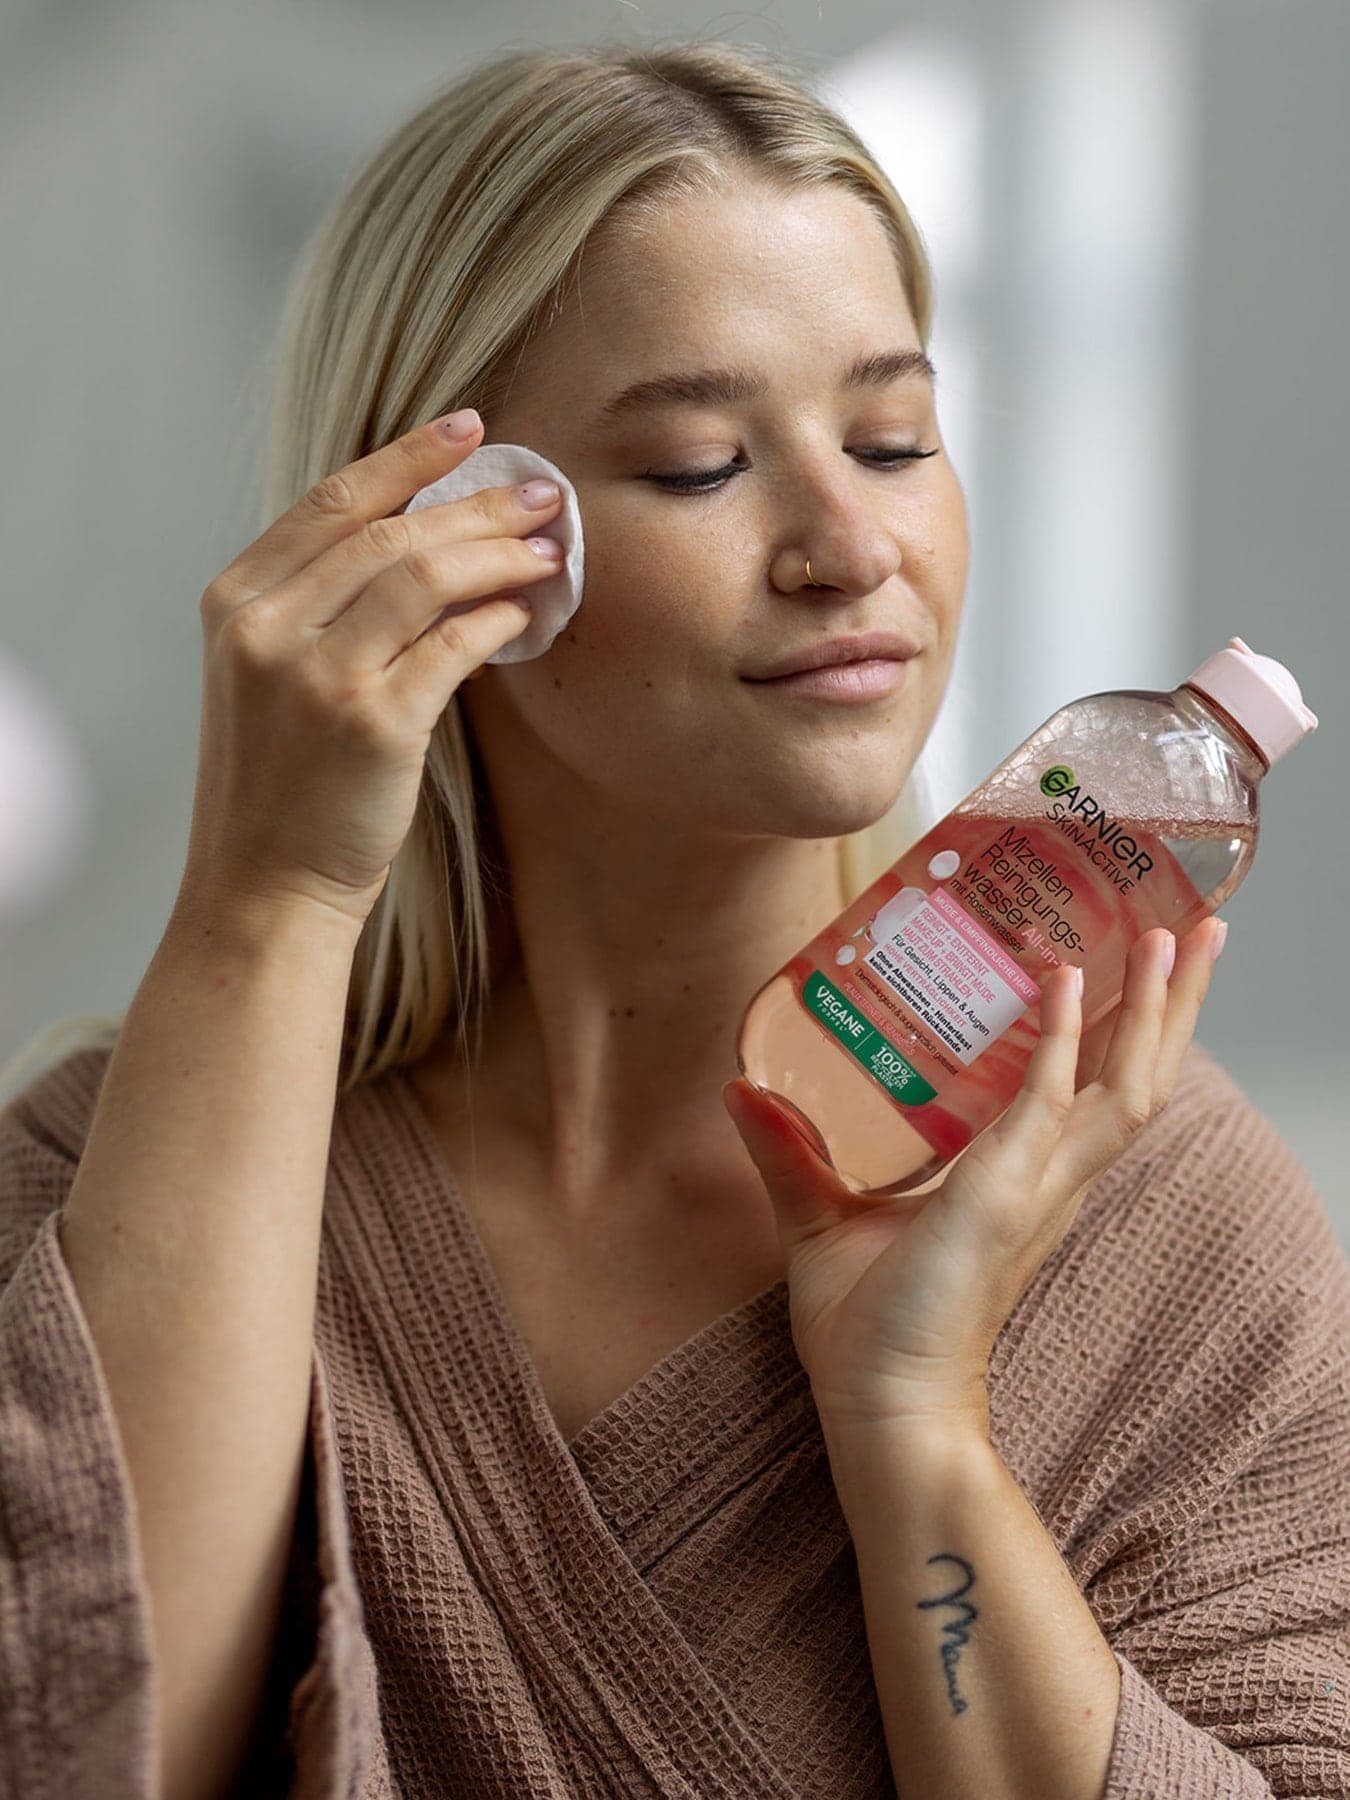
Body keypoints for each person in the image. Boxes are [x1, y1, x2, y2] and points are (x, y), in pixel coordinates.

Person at [1, 39, 1347, 1800]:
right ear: (470, 548)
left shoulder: (1162, 1219)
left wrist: (911, 1416)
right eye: (705, 467)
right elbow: (91, 1750)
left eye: (893, 438)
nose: (850, 544)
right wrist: (272, 889)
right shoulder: (118, 1177)